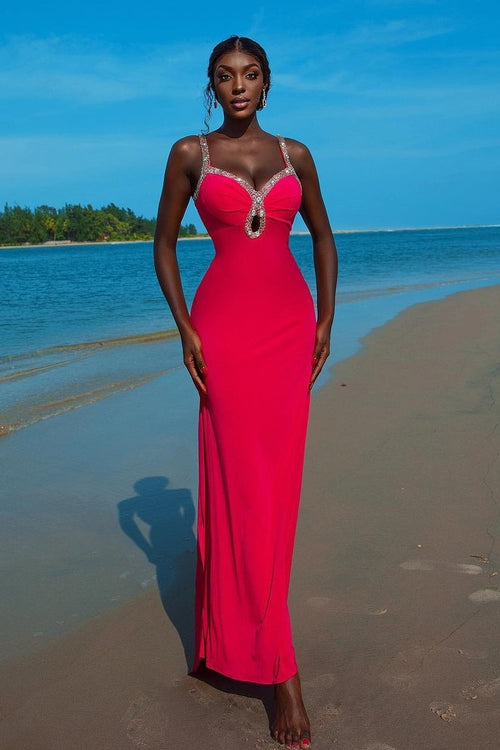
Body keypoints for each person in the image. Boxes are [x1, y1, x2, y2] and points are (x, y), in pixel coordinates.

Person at [154, 35, 337, 749]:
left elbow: (322, 235)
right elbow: (164, 244)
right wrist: (184, 330)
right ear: (210, 85)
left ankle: (226, 646)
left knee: (275, 494)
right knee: (238, 492)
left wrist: (326, 317)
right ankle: (279, 671)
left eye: (250, 75)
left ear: (267, 83)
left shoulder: (297, 155)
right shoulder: (188, 155)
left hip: (288, 336)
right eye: (225, 76)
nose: (238, 86)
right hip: (223, 340)